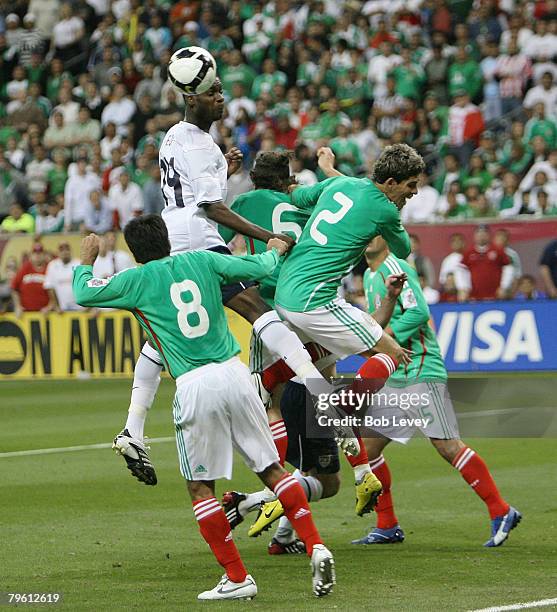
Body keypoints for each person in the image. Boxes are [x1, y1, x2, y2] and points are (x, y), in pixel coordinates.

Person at [72, 216, 335, 600]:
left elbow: (83, 292)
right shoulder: (203, 259)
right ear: (166, 239)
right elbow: (260, 266)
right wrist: (277, 247)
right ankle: (316, 545)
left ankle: (237, 577)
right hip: (235, 371)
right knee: (272, 469)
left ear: (135, 252)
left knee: (200, 487)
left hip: (195, 384)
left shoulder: (134, 280)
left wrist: (87, 259)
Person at [114, 74, 358, 486]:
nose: (221, 98)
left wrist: (221, 174)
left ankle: (133, 429)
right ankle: (322, 393)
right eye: (213, 92)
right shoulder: (201, 143)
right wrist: (270, 238)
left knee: (160, 338)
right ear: (192, 98)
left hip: (175, 235)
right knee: (259, 313)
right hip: (199, 239)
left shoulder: (173, 136)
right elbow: (209, 207)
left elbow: (194, 193)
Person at [219, 150, 404, 545]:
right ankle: (288, 514)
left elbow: (214, 241)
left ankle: (277, 501)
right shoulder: (303, 202)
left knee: (272, 399)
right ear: (287, 181)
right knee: (323, 383)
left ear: (254, 180)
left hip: (269, 307)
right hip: (310, 301)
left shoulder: (244, 203)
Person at [353, 236, 521, 548]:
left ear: (386, 238)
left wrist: (384, 337)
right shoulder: (368, 275)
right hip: (398, 371)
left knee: (447, 446)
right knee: (369, 447)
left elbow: (418, 313)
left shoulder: (396, 266)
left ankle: (501, 510)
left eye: (374, 232)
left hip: (420, 368)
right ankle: (387, 525)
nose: (367, 238)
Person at [458, 225, 512, 301]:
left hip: (496, 296)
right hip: (474, 296)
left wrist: (504, 287)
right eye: (479, 234)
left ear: (489, 235)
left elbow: (508, 269)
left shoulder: (498, 251)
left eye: (484, 234)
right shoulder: (468, 252)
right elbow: (461, 271)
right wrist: (463, 288)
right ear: (474, 236)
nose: (481, 236)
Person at [11, 243, 49, 316]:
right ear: (31, 255)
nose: (37, 255)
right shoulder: (25, 268)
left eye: (40, 253)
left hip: (45, 314)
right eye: (35, 253)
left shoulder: (50, 268)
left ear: (44, 255)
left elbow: (55, 291)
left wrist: (50, 306)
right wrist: (17, 306)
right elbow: (14, 287)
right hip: (26, 314)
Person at [43, 241, 81, 312]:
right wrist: (56, 306)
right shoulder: (52, 265)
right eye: (62, 250)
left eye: (67, 249)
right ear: (58, 252)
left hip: (79, 309)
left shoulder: (79, 264)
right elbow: (50, 287)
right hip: (62, 310)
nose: (65, 252)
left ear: (71, 251)